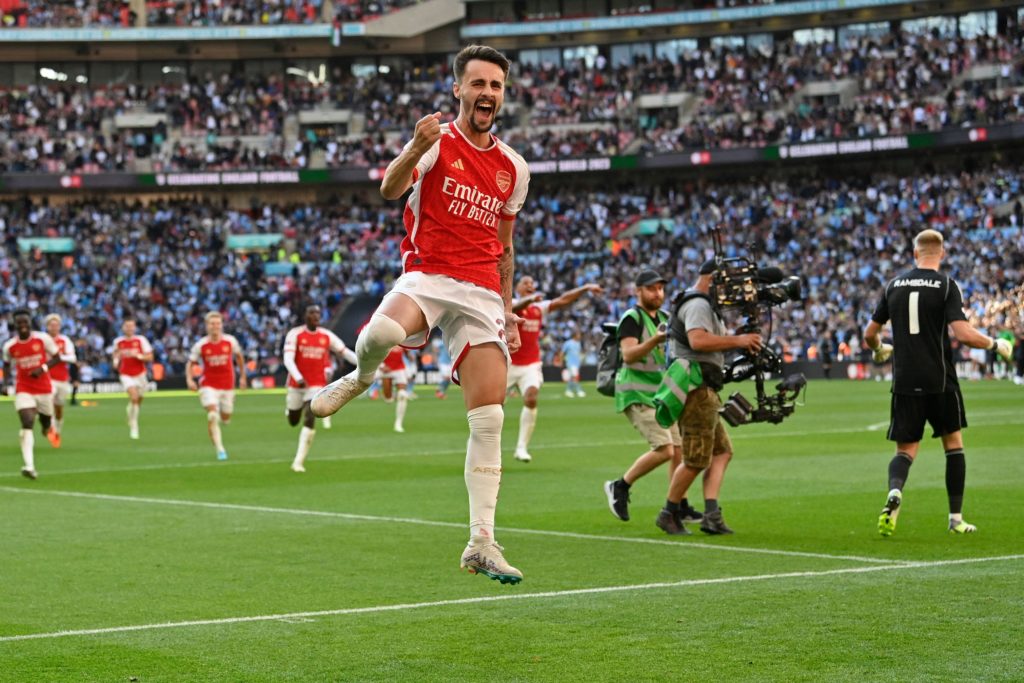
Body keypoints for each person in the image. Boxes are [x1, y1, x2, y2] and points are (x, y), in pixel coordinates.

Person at [310, 45, 530, 584]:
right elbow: (388, 188)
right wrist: (413, 146)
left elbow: (504, 246)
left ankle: (482, 540)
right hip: (429, 275)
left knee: (491, 416)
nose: (487, 93)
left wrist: (507, 309)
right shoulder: (436, 143)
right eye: (478, 84)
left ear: (503, 94)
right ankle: (362, 376)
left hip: (480, 293)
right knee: (381, 330)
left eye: (496, 85)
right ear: (458, 89)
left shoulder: (514, 168)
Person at [864, 229, 1013, 536]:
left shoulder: (894, 285)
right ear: (941, 253)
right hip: (940, 378)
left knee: (905, 450)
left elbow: (869, 333)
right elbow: (963, 334)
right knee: (953, 445)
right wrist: (996, 345)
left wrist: (879, 350)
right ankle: (956, 519)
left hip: (904, 379)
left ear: (915, 253)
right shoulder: (946, 285)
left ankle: (895, 491)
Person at [654, 260, 762, 535]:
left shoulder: (701, 303)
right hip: (696, 389)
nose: (732, 291)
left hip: (705, 388)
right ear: (713, 279)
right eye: (728, 283)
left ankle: (711, 514)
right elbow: (698, 341)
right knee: (696, 458)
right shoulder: (699, 304)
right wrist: (739, 341)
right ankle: (668, 512)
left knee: (721, 451)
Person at [603, 269, 689, 523]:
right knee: (664, 450)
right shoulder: (632, 317)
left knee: (679, 450)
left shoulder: (664, 317)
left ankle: (677, 505)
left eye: (661, 288)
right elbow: (629, 355)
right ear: (638, 291)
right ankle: (620, 485)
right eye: (652, 288)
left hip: (661, 395)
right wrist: (655, 340)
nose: (658, 293)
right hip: (637, 392)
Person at [508, 277, 602, 462]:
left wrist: (585, 287)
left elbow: (564, 300)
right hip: (508, 363)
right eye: (525, 283)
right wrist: (529, 300)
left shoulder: (538, 307)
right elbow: (516, 309)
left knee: (532, 397)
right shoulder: (510, 304)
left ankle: (521, 447)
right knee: (493, 406)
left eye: (531, 283)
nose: (529, 285)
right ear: (516, 287)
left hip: (531, 364)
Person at [282, 305, 357, 472]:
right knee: (293, 420)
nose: (315, 315)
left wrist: (364, 363)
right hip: (296, 384)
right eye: (311, 313)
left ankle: (298, 462)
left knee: (310, 416)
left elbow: (345, 352)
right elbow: (287, 358)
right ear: (305, 316)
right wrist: (298, 376)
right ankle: (290, 410)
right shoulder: (295, 334)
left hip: (316, 385)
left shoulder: (326, 336)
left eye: (317, 313)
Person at [2, 310, 61, 479]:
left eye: (25, 323)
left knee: (45, 421)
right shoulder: (10, 346)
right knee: (27, 421)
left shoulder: (42, 339)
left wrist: (42, 369)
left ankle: (46, 427)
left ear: (30, 323)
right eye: (19, 323)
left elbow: (57, 358)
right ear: (14, 325)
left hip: (44, 389)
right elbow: (6, 366)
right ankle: (29, 465)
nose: (22, 326)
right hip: (24, 388)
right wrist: (5, 384)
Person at [186, 312, 247, 461]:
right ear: (207, 326)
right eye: (212, 323)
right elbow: (190, 362)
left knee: (225, 417)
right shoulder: (201, 345)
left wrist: (243, 377)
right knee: (213, 415)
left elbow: (239, 357)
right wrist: (189, 379)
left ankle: (224, 417)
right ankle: (220, 450)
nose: (215, 326)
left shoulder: (230, 341)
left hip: (227, 385)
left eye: (218, 323)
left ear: (221, 325)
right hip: (208, 385)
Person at [112, 317, 153, 440]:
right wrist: (115, 361)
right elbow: (115, 356)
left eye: (131, 326)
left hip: (140, 374)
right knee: (134, 397)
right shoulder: (118, 342)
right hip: (125, 374)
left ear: (134, 328)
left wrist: (139, 356)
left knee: (138, 400)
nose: (129, 328)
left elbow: (150, 357)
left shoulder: (141, 340)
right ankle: (134, 426)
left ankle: (130, 412)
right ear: (123, 327)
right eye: (127, 326)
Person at [44, 314, 77, 437]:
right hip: (47, 377)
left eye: (56, 325)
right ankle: (50, 427)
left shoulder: (64, 340)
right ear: (47, 327)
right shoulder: (43, 340)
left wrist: (59, 358)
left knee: (59, 407)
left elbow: (73, 358)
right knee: (48, 402)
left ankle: (57, 428)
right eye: (52, 325)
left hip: (62, 378)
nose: (54, 327)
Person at [378, 347, 411, 433]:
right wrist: (381, 366)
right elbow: (372, 353)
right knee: (389, 400)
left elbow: (407, 353)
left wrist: (409, 357)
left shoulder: (402, 338)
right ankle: (390, 395)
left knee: (403, 395)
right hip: (386, 369)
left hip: (399, 369)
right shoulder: (382, 338)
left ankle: (398, 424)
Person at [561, 330, 585, 398]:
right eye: (579, 335)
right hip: (570, 363)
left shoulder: (578, 343)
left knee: (572, 377)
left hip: (577, 363)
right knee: (575, 377)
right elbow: (562, 352)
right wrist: (562, 361)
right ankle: (579, 390)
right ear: (575, 335)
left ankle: (568, 391)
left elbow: (578, 353)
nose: (580, 336)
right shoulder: (568, 343)